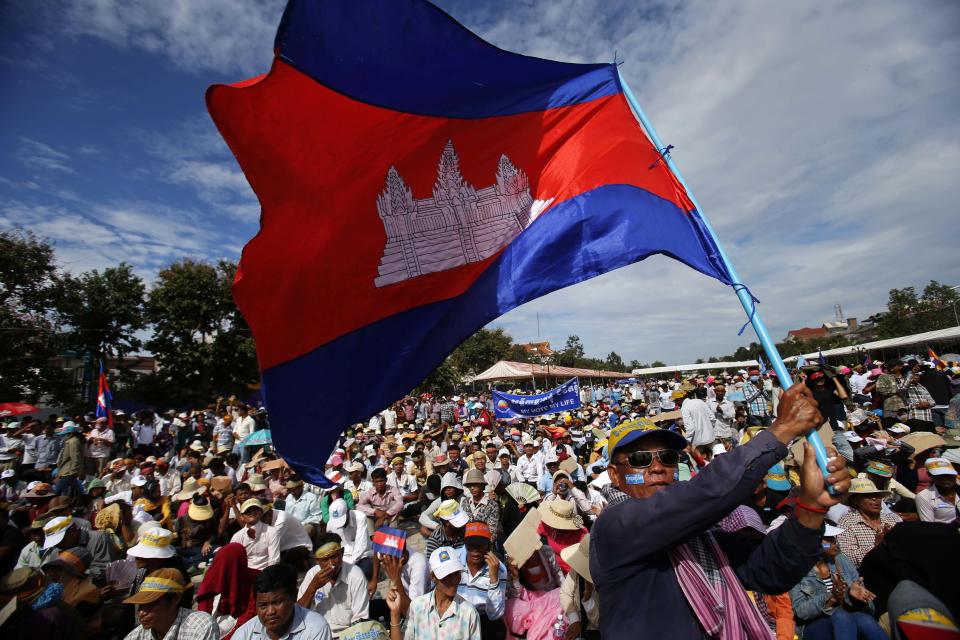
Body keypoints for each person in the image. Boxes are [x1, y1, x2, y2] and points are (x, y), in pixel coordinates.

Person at [591, 383, 851, 640]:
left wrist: (811, 506)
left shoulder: (701, 535)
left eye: (667, 458)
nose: (657, 467)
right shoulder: (613, 526)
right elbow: (703, 493)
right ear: (615, 475)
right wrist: (782, 430)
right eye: (640, 460)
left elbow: (769, 571)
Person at [789, 523, 887, 640]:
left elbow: (870, 608)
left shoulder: (841, 560)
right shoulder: (796, 570)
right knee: (841, 615)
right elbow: (801, 611)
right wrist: (831, 597)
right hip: (814, 624)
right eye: (829, 541)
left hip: (846, 618)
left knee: (865, 619)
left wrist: (854, 598)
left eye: (834, 540)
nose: (835, 544)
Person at [386, 546, 481, 640]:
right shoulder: (417, 606)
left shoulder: (469, 613)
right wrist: (394, 614)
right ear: (432, 577)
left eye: (457, 573)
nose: (453, 580)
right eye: (446, 575)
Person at [233, 563, 333, 640]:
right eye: (263, 606)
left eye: (277, 603)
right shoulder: (244, 634)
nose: (271, 611)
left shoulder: (316, 628)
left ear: (294, 597)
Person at [297, 532, 370, 637]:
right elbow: (298, 615)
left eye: (334, 556)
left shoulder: (356, 576)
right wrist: (313, 587)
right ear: (317, 561)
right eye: (325, 559)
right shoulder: (312, 575)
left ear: (342, 553)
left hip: (348, 636)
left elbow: (361, 620)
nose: (331, 564)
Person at [122, 568, 218, 640]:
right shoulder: (135, 637)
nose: (142, 613)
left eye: (151, 604)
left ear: (175, 599)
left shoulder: (200, 626)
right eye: (141, 605)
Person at [196, 543, 258, 640]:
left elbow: (246, 619)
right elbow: (205, 598)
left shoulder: (254, 581)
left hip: (236, 627)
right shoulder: (217, 571)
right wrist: (204, 626)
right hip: (215, 623)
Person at [456, 522, 506, 640]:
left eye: (480, 545)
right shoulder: (455, 559)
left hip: (481, 618)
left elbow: (495, 615)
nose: (475, 550)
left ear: (488, 546)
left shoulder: (499, 569)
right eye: (470, 545)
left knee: (497, 631)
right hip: (455, 615)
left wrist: (493, 579)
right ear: (465, 545)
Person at [836, 478, 902, 567]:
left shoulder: (892, 520)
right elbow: (847, 558)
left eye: (877, 495)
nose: (875, 499)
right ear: (855, 500)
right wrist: (875, 545)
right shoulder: (846, 523)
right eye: (868, 496)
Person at [230, 498, 280, 570]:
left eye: (255, 509)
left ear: (261, 512)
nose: (252, 512)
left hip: (267, 573)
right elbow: (233, 560)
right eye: (248, 511)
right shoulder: (237, 536)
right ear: (241, 517)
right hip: (246, 574)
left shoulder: (272, 531)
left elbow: (274, 561)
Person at [915, 457, 958, 523]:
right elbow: (930, 527)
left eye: (949, 474)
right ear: (930, 475)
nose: (946, 478)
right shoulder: (924, 497)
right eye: (941, 475)